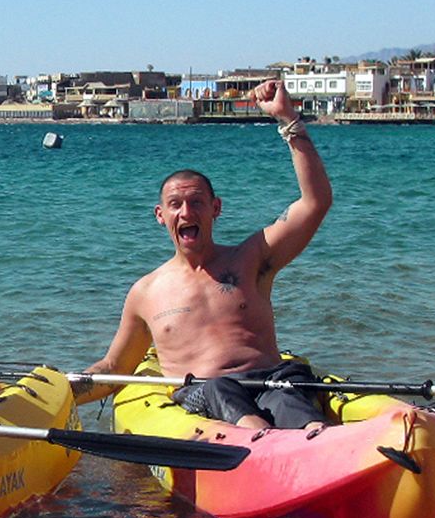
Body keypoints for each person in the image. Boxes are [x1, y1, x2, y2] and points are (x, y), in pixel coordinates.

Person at [82, 78, 333, 431]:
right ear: (160, 215)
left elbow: (315, 202)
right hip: (206, 394)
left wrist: (287, 120)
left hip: (271, 379)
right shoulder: (145, 293)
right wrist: (61, 390)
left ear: (215, 208)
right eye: (175, 205)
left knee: (287, 390)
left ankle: (314, 435)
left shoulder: (252, 258)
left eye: (197, 202)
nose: (186, 212)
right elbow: (115, 367)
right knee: (216, 387)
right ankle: (256, 436)